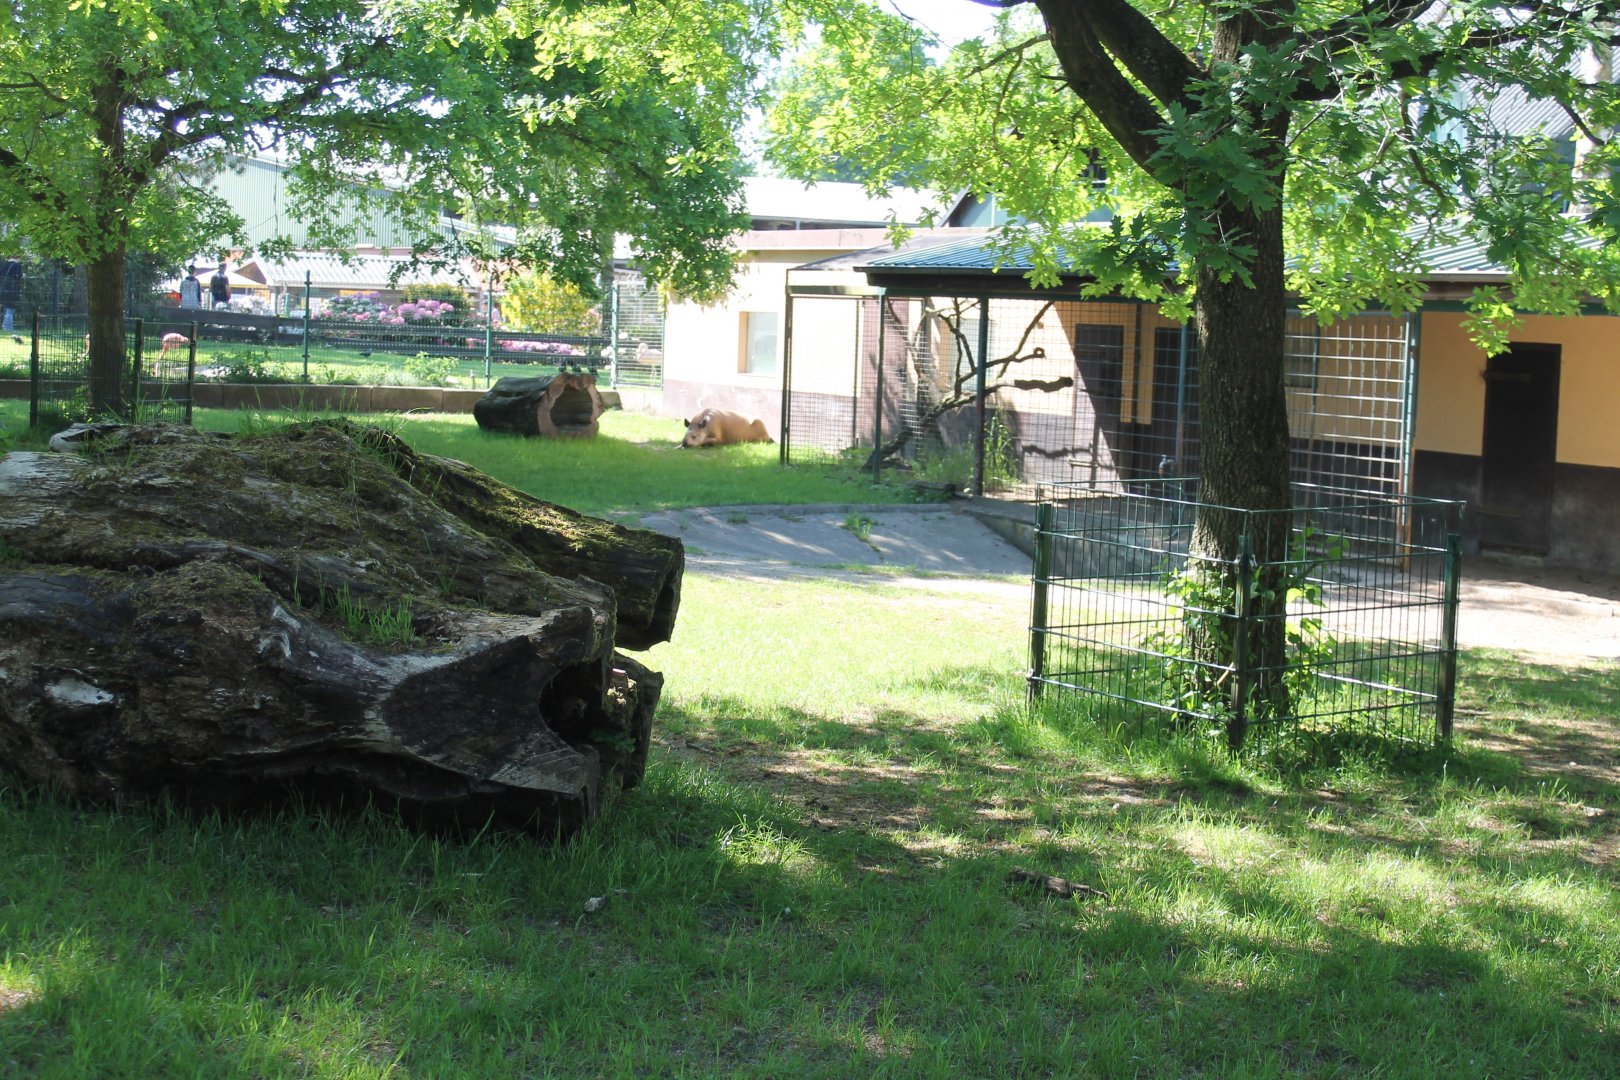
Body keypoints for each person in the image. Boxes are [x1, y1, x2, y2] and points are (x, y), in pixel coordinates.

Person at [0, 257, 22, 332]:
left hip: (2, 289)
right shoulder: (17, 265)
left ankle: (6, 326)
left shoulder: (3, 265)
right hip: (12, 290)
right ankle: (7, 328)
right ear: (18, 257)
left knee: (5, 309)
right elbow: (18, 276)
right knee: (10, 310)